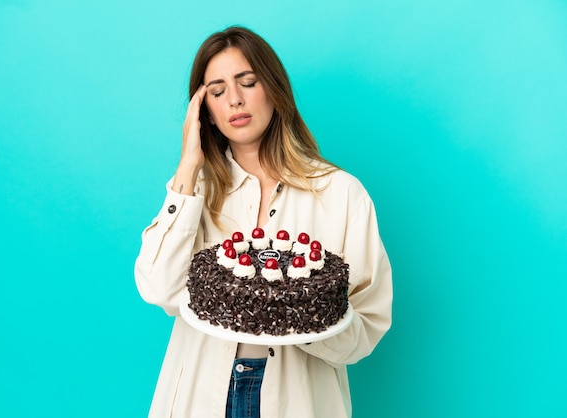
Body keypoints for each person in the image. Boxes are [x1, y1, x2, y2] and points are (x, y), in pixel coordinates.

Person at [134, 26, 392, 418]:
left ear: (273, 88)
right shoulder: (192, 192)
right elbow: (158, 288)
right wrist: (188, 166)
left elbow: (367, 328)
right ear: (205, 110)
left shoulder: (342, 194)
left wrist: (298, 317)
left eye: (248, 82)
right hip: (200, 394)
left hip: (296, 399)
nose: (235, 99)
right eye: (217, 92)